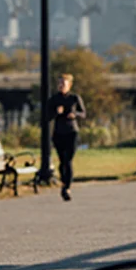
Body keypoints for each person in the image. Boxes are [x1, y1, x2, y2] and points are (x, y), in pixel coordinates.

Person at [46, 73, 85, 201]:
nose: (61, 86)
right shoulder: (54, 99)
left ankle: (66, 187)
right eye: (59, 83)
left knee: (68, 160)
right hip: (58, 133)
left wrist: (75, 114)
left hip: (72, 132)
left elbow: (83, 113)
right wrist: (56, 113)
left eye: (63, 83)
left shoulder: (74, 98)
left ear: (69, 85)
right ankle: (64, 181)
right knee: (62, 161)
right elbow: (47, 116)